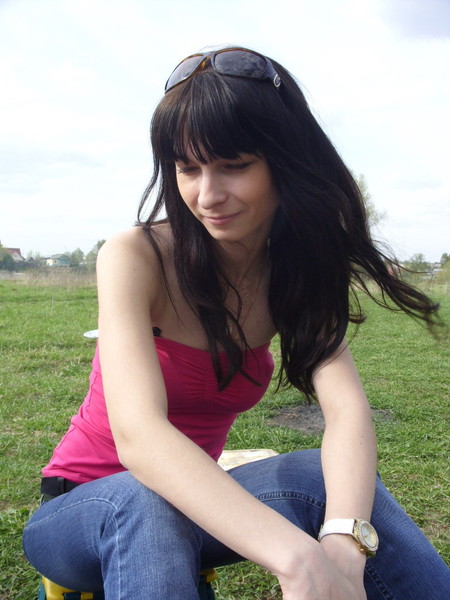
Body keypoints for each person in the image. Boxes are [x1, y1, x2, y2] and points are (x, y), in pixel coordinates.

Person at [23, 46, 449, 600]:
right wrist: (298, 558)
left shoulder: (295, 271)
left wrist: (344, 546)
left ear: (284, 161)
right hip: (84, 507)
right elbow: (139, 437)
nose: (207, 195)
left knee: (330, 483)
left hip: (194, 507)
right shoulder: (135, 255)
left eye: (234, 165)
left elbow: (347, 413)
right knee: (145, 500)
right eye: (188, 168)